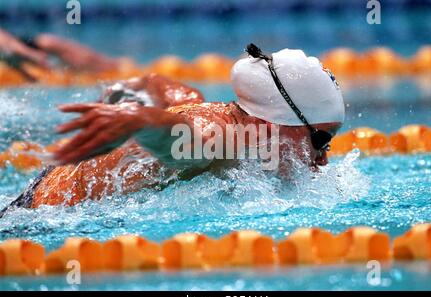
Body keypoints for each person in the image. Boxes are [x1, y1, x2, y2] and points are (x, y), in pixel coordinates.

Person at [5, 44, 345, 212]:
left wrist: (122, 94)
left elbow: (161, 85)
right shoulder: (222, 138)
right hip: (38, 220)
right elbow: (180, 138)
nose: (321, 159)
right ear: (277, 120)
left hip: (50, 183)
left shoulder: (204, 105)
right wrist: (138, 119)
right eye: (320, 139)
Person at [0, 28, 120, 81]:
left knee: (49, 42)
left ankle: (112, 66)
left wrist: (28, 54)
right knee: (49, 43)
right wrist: (30, 55)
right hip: (13, 49)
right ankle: (113, 67)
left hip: (13, 47)